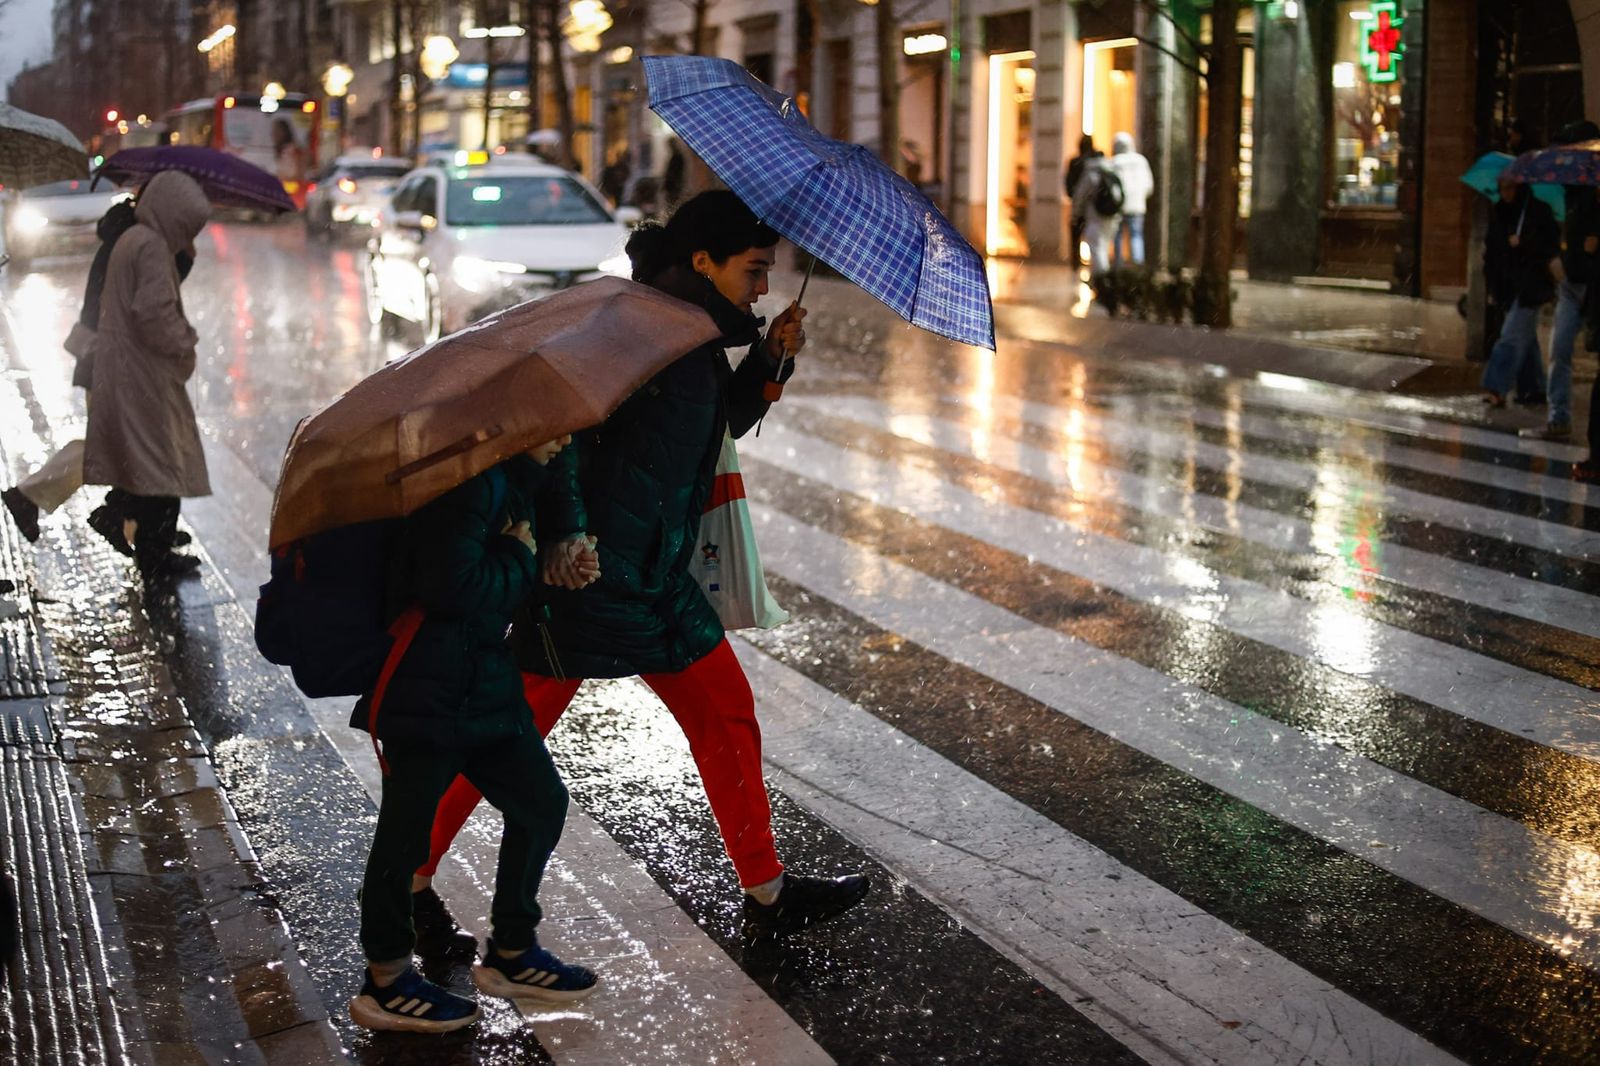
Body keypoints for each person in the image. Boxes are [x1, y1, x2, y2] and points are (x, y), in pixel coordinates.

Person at [419, 190, 870, 937]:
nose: (762, 287)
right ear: (703, 262)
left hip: (652, 582)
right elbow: (561, 431)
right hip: (585, 581)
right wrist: (564, 541)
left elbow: (709, 422)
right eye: (754, 270)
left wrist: (769, 358)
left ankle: (767, 891)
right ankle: (408, 880)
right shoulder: (637, 332)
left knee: (725, 712)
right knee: (499, 734)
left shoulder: (688, 337)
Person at [349, 435, 598, 1033]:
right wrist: (518, 557)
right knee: (405, 837)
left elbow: (495, 575)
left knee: (540, 803)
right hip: (428, 690)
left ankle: (512, 950)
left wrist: (550, 562)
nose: (563, 436)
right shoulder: (468, 481)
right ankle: (384, 979)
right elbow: (450, 585)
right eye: (551, 425)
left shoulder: (513, 478)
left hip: (481, 681)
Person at [2, 194, 197, 555]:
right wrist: (183, 255)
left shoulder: (127, 235)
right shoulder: (139, 244)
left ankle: (129, 524)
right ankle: (51, 501)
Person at [80, 170, 212, 582]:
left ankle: (126, 519)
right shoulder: (152, 247)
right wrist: (185, 341)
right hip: (142, 374)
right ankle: (151, 555)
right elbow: (154, 314)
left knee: (148, 465)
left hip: (125, 369)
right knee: (162, 468)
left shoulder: (135, 239)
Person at [1521, 119, 1600, 442]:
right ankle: (1558, 419)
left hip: (1595, 285)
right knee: (1560, 350)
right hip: (1572, 284)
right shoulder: (1571, 190)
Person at [1480, 174, 1561, 408]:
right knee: (1524, 335)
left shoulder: (1537, 212)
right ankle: (1533, 386)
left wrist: (1524, 242)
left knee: (1511, 338)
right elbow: (1491, 253)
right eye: (1502, 188)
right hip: (1508, 287)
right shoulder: (1499, 214)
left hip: (1531, 286)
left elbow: (1549, 248)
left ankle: (1495, 386)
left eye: (1510, 188)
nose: (1506, 193)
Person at [1107, 132, 1154, 267]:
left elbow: (1112, 187)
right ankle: (1137, 265)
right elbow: (1148, 185)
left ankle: (1119, 266)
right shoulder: (1141, 161)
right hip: (1137, 207)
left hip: (1120, 206)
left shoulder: (1114, 163)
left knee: (1118, 237)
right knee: (1136, 236)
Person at [1072, 151, 1120, 278]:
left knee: (1097, 249)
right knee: (1103, 248)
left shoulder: (1091, 174)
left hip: (1096, 217)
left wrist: (1076, 214)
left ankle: (1102, 280)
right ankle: (1104, 278)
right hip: (1112, 217)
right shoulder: (1112, 172)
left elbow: (1080, 196)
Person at [1064, 135, 1102, 270]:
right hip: (1096, 209)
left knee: (1076, 237)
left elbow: (1070, 187)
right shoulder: (1100, 162)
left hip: (1081, 207)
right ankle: (1096, 268)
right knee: (1096, 241)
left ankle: (1076, 264)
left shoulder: (1076, 163)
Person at [662, 139, 687, 207]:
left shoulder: (677, 157)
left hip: (675, 185)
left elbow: (676, 172)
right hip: (672, 185)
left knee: (673, 204)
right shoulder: (674, 156)